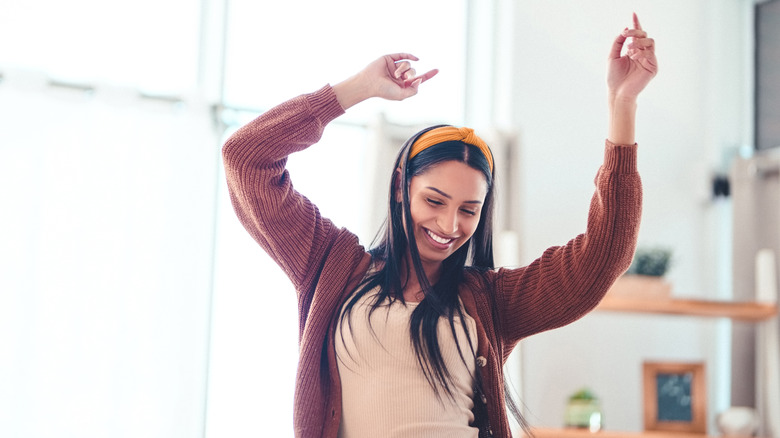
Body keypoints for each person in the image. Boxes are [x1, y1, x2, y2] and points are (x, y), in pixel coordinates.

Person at [222, 13, 657, 438]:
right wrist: (357, 89)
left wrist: (623, 104)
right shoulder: (329, 265)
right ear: (400, 187)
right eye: (434, 200)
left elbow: (605, 254)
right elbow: (246, 157)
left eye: (469, 210)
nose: (450, 224)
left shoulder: (492, 302)